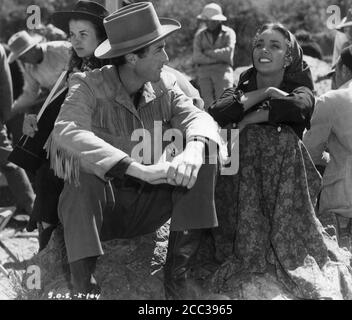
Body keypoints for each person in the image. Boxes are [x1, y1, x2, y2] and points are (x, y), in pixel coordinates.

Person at [46, 2, 221, 299]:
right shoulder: (87, 85)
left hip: (148, 207)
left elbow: (199, 118)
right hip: (104, 213)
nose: (166, 58)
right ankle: (83, 287)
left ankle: (176, 279)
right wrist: (137, 168)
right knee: (81, 176)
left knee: (205, 154)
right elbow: (66, 131)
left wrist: (192, 150)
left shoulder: (165, 85)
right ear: (130, 56)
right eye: (159, 50)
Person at [208, 23, 352, 299]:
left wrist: (249, 116)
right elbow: (219, 111)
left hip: (283, 193)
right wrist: (265, 94)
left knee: (280, 139)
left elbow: (299, 108)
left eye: (275, 46)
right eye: (259, 44)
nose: (264, 51)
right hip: (239, 189)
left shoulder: (300, 87)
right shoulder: (243, 82)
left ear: (289, 56)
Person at [20, 1, 110, 251]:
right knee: (43, 168)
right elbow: (56, 100)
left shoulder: (109, 68)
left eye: (83, 34)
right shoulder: (76, 64)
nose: (76, 41)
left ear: (101, 36)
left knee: (52, 173)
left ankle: (47, 237)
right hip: (71, 137)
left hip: (98, 144)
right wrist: (34, 117)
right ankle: (46, 237)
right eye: (72, 35)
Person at [303, 45, 352, 256]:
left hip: (351, 199)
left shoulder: (333, 100)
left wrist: (326, 157)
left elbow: (307, 154)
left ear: (342, 70)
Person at [0, 43, 35, 220]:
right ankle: (34, 211)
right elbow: (5, 86)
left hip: (20, 107)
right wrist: (5, 115)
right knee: (9, 163)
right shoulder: (1, 49)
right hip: (10, 112)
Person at [7, 30, 71, 117]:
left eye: (22, 57)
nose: (22, 61)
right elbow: (30, 94)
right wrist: (12, 109)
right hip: (60, 103)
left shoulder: (61, 49)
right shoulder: (29, 68)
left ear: (31, 50)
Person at [193, 3, 235, 110]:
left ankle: (227, 126)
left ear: (218, 20)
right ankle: (211, 126)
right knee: (208, 105)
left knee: (226, 102)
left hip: (223, 71)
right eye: (206, 20)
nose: (208, 23)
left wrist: (207, 52)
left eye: (211, 20)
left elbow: (228, 53)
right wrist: (217, 57)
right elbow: (197, 57)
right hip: (204, 73)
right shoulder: (199, 35)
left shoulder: (229, 33)